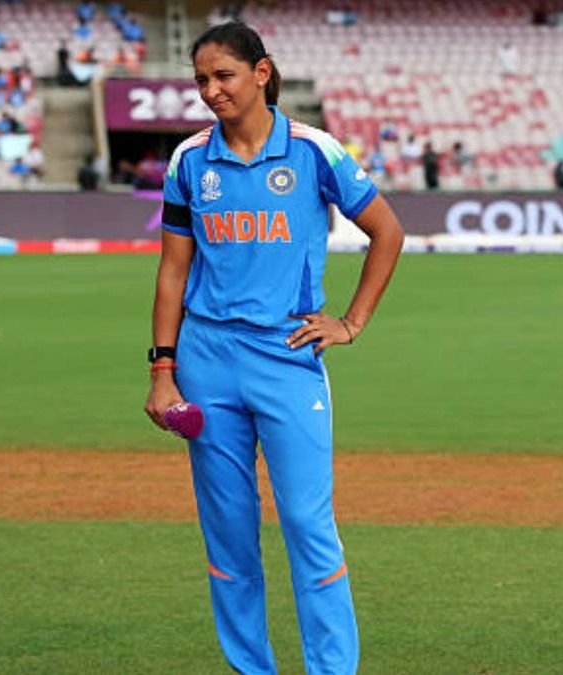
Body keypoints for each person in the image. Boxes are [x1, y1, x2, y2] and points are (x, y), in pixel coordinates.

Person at [144, 22, 403, 675]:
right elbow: (173, 271)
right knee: (229, 539)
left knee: (309, 529)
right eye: (201, 80)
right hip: (206, 360)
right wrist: (163, 369)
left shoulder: (316, 151)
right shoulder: (189, 161)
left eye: (223, 76)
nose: (211, 91)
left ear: (262, 73)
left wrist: (350, 321)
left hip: (287, 355)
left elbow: (387, 231)